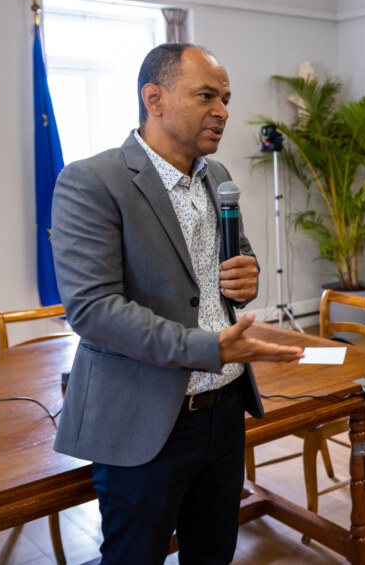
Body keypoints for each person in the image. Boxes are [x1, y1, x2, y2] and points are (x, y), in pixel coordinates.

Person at [50, 43, 304, 565]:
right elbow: (94, 310)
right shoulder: (92, 181)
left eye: (226, 98)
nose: (224, 111)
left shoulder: (216, 177)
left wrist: (247, 275)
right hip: (145, 419)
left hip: (225, 411)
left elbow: (233, 262)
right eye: (207, 95)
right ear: (155, 98)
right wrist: (208, 348)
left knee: (212, 554)